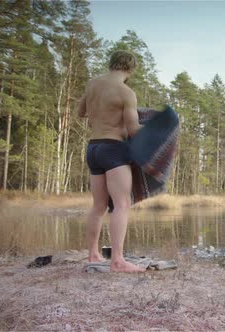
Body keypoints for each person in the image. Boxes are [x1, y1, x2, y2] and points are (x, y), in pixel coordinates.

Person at [78, 50, 144, 273]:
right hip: (114, 149)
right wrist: (156, 130)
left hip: (93, 148)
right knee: (122, 204)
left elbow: (81, 111)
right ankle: (117, 261)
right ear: (131, 69)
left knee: (98, 206)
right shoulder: (127, 92)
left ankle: (93, 254)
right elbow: (134, 130)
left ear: (111, 64)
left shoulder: (92, 84)